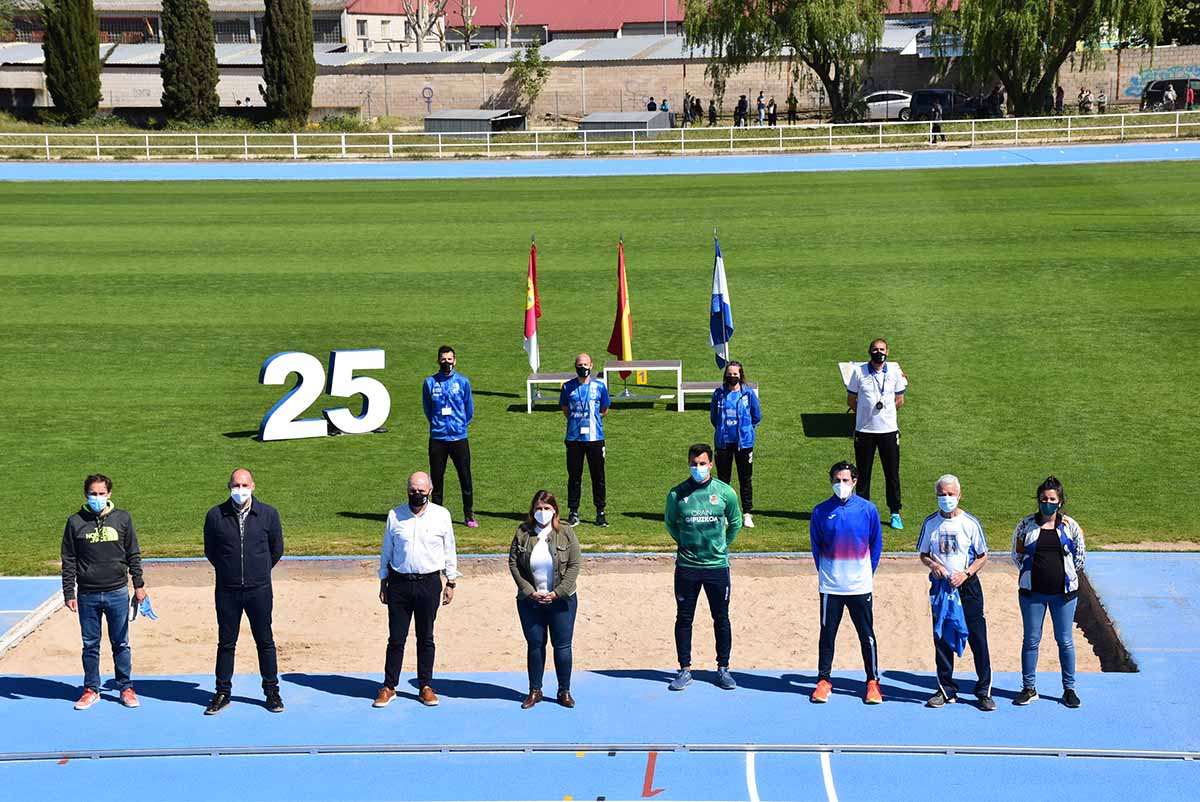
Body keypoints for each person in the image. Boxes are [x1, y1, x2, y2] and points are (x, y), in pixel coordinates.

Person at [374, 471, 460, 709]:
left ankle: (425, 686)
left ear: (430, 490)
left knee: (426, 637)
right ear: (407, 490)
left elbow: (449, 549)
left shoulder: (441, 516)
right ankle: (389, 686)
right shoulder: (395, 515)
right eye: (413, 490)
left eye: (421, 490)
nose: (417, 494)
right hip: (399, 583)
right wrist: (383, 580)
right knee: (396, 638)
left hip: (429, 583)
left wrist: (451, 581)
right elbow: (387, 550)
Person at [61, 473, 147, 710]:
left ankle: (125, 688)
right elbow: (68, 558)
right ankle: (91, 689)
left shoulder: (123, 519)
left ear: (109, 494)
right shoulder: (75, 522)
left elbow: (133, 554)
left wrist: (138, 584)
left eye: (101, 493)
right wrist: (69, 591)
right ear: (86, 495)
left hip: (117, 592)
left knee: (121, 643)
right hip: (87, 594)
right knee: (90, 644)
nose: (97, 498)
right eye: (93, 494)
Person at [203, 468, 285, 715]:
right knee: (226, 642)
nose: (240, 490)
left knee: (265, 641)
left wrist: (258, 570)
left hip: (259, 590)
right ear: (229, 486)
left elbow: (276, 549)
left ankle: (272, 691)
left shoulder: (268, 514)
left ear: (253, 486)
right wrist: (229, 570)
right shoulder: (215, 515)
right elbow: (211, 551)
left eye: (244, 485)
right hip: (227, 591)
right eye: (236, 485)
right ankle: (222, 692)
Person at [664, 443, 743, 692]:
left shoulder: (725, 492)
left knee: (721, 617)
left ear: (711, 464)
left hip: (717, 566)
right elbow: (670, 524)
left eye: (702, 463)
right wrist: (686, 543)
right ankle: (685, 669)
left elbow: (736, 521)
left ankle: (723, 669)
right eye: (694, 464)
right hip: (687, 566)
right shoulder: (677, 494)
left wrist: (721, 546)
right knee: (684, 618)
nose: (698, 468)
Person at [917, 475, 994, 711]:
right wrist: (934, 566)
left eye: (950, 494)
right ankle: (946, 689)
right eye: (942, 494)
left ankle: (983, 691)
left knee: (977, 638)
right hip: (942, 589)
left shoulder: (970, 523)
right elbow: (923, 554)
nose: (946, 498)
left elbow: (983, 556)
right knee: (941, 637)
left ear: (959, 495)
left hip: (967, 588)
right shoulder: (930, 523)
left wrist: (966, 574)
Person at [809, 461, 883, 704]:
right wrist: (830, 573)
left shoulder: (868, 510)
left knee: (866, 634)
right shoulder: (820, 511)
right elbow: (816, 547)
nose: (840, 484)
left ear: (854, 482)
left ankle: (872, 682)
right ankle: (824, 681)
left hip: (860, 587)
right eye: (836, 480)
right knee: (827, 634)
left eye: (845, 480)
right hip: (831, 587)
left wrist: (864, 573)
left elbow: (876, 545)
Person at [1010, 475, 1086, 708]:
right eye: (1044, 499)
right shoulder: (1025, 525)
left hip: (1064, 596)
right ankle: (1029, 687)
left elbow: (1080, 557)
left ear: (1060, 502)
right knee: (1031, 641)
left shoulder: (1070, 526)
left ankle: (1069, 689)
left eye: (1052, 499)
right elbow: (1017, 554)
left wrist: (1066, 576)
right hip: (1033, 595)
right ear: (1038, 500)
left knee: (1065, 641)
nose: (1047, 503)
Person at [509, 490, 581, 709]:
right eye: (538, 508)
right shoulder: (522, 532)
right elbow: (513, 563)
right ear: (532, 511)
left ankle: (564, 691)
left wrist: (557, 592)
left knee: (562, 646)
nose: (542, 512)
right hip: (530, 601)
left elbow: (574, 565)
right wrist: (530, 591)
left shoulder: (566, 533)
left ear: (555, 510)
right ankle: (535, 690)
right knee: (535, 645)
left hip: (562, 602)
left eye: (547, 508)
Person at [846, 338, 908, 530]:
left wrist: (886, 414)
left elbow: (900, 399)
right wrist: (865, 415)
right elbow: (851, 400)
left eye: (881, 349)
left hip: (888, 431)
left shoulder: (895, 372)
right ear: (869, 352)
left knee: (892, 474)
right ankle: (863, 513)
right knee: (863, 474)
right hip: (865, 431)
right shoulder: (859, 372)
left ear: (887, 352)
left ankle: (895, 512)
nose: (878, 352)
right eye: (875, 349)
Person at [423, 345, 476, 527]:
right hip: (438, 438)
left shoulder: (462, 382)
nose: (447, 363)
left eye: (450, 359)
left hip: (459, 437)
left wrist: (460, 425)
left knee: (465, 477)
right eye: (443, 359)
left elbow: (469, 408)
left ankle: (468, 514)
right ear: (438, 361)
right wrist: (438, 424)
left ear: (455, 360)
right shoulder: (430, 383)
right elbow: (428, 409)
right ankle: (437, 516)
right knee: (437, 478)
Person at [559, 353, 611, 527]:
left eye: (586, 364)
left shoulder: (600, 386)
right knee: (574, 476)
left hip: (595, 438)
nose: (583, 367)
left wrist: (592, 419)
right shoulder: (567, 387)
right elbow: (565, 409)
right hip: (574, 438)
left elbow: (604, 410)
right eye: (580, 364)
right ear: (575, 366)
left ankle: (600, 512)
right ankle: (573, 511)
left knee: (598, 476)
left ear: (591, 365)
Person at [710, 361, 761, 528]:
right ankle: (724, 513)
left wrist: (745, 430)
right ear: (725, 375)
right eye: (729, 374)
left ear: (741, 375)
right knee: (723, 480)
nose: (732, 377)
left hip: (744, 443)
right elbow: (714, 418)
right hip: (723, 443)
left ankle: (747, 513)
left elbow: (756, 416)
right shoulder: (718, 394)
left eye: (735, 374)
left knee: (745, 479)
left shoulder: (748, 394)